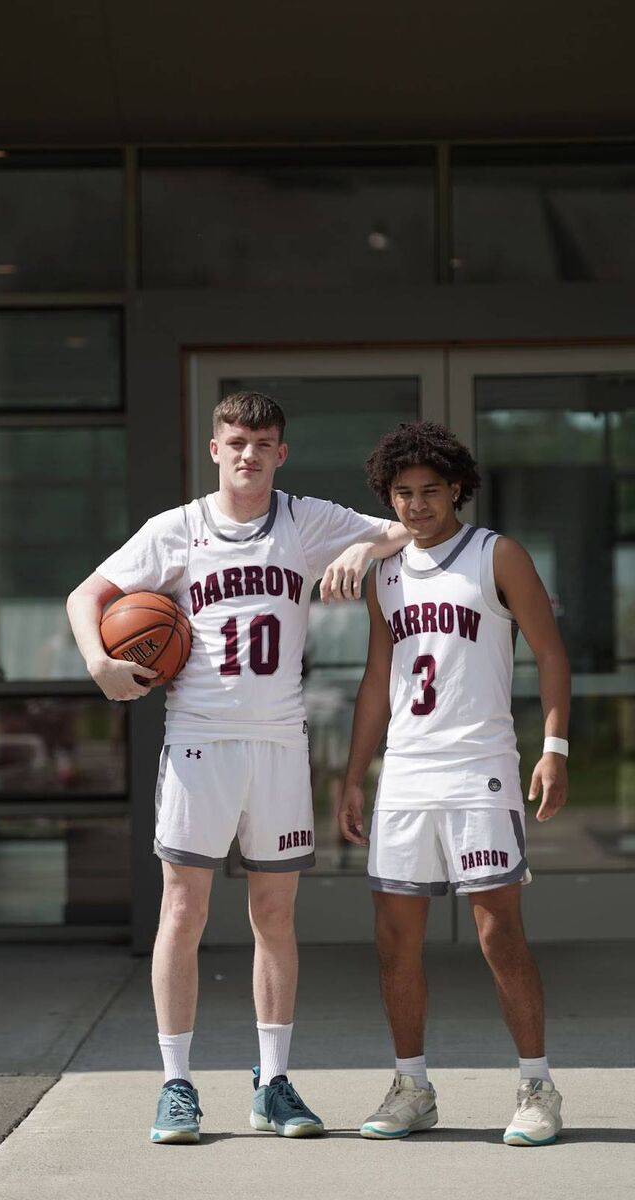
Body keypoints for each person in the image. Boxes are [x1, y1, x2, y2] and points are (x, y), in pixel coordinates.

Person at [66, 391, 408, 1145]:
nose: (248, 453)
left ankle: (273, 1082)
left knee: (276, 917)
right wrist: (99, 661)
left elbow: (404, 524)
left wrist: (362, 545)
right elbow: (87, 594)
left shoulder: (306, 518)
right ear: (213, 449)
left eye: (262, 442)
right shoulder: (176, 529)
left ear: (280, 454)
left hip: (281, 742)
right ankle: (176, 1086)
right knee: (182, 913)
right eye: (235, 441)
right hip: (199, 740)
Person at [339, 420, 570, 1147]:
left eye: (430, 491)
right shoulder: (385, 572)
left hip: (481, 769)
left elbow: (552, 654)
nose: (416, 505)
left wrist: (554, 747)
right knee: (393, 941)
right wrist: (353, 775)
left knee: (498, 933)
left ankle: (537, 1087)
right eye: (402, 494)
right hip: (406, 774)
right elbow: (379, 679)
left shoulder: (496, 554)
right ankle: (413, 1086)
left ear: (458, 489)